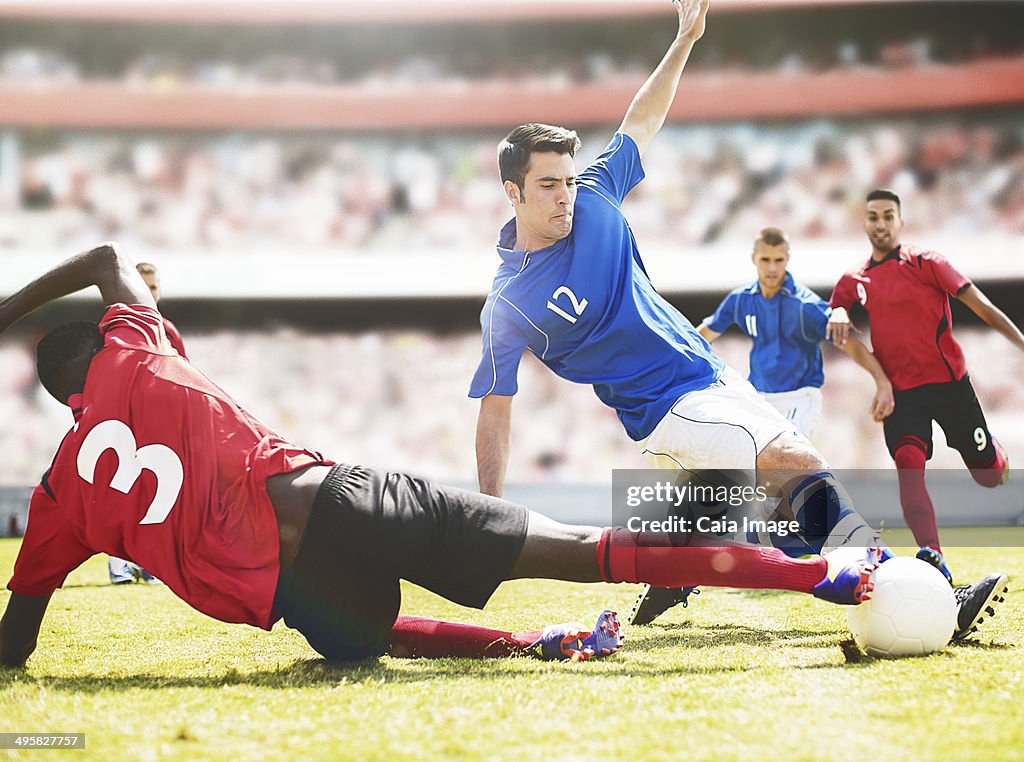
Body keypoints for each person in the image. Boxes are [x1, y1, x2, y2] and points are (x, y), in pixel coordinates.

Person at [0, 242, 888, 670]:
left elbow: (17, 644)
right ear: (107, 339)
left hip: (300, 597)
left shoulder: (56, 500)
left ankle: (534, 641)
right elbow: (110, 257)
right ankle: (823, 577)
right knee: (583, 550)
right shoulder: (137, 346)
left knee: (365, 636)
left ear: (57, 399)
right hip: (335, 497)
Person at [468, 0, 1006, 635]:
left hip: (710, 377)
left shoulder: (594, 199)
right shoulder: (508, 302)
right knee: (793, 461)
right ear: (513, 191)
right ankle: (910, 593)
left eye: (566, 179)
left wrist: (685, 39)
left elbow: (639, 123)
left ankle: (671, 577)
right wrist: (491, 515)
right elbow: (496, 408)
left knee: (721, 509)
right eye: (548, 186)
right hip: (663, 405)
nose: (565, 195)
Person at [828, 188, 1024, 587]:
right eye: (873, 217)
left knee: (988, 475)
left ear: (900, 221)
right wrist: (879, 379)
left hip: (951, 388)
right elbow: (841, 331)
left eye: (888, 216)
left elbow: (982, 307)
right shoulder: (853, 280)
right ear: (864, 223)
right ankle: (934, 556)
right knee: (909, 470)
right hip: (901, 396)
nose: (880, 223)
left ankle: (994, 457)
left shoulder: (928, 262)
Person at [696, 227, 894, 439]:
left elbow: (853, 346)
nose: (772, 267)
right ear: (754, 258)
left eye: (778, 260)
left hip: (799, 399)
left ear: (787, 259)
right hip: (760, 398)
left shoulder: (806, 306)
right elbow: (704, 334)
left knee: (788, 455)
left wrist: (882, 381)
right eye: (765, 259)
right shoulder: (740, 300)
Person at [106, 261, 184, 585]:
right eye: (143, 286)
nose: (149, 293)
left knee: (157, 489)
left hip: (160, 423)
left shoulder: (168, 331)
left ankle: (148, 562)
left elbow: (183, 373)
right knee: (122, 490)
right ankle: (119, 563)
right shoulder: (116, 328)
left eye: (153, 287)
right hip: (126, 421)